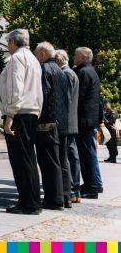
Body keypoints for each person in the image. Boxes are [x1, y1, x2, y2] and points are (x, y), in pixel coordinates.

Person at [0, 29, 43, 215]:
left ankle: (28, 203)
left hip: (20, 113)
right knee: (29, 158)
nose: (7, 45)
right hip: (31, 112)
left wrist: (10, 115)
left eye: (8, 42)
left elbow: (15, 88)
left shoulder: (17, 59)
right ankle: (31, 200)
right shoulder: (33, 59)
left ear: (13, 42)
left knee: (20, 159)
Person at [34, 42, 68, 210]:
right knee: (60, 161)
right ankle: (64, 196)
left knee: (48, 163)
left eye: (35, 54)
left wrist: (36, 117)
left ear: (42, 54)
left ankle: (53, 200)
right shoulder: (61, 72)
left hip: (47, 122)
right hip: (61, 122)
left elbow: (42, 96)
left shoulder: (44, 70)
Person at [73, 47, 103, 199]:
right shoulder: (90, 70)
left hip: (84, 119)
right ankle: (94, 184)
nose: (74, 56)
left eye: (76, 54)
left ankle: (92, 187)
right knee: (89, 152)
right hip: (89, 118)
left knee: (86, 154)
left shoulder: (83, 72)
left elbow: (78, 96)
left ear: (84, 56)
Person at [55, 49, 81, 204]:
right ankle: (74, 190)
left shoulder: (66, 74)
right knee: (72, 155)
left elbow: (65, 99)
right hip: (71, 120)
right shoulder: (71, 73)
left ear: (59, 60)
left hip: (67, 121)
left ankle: (72, 190)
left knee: (69, 156)